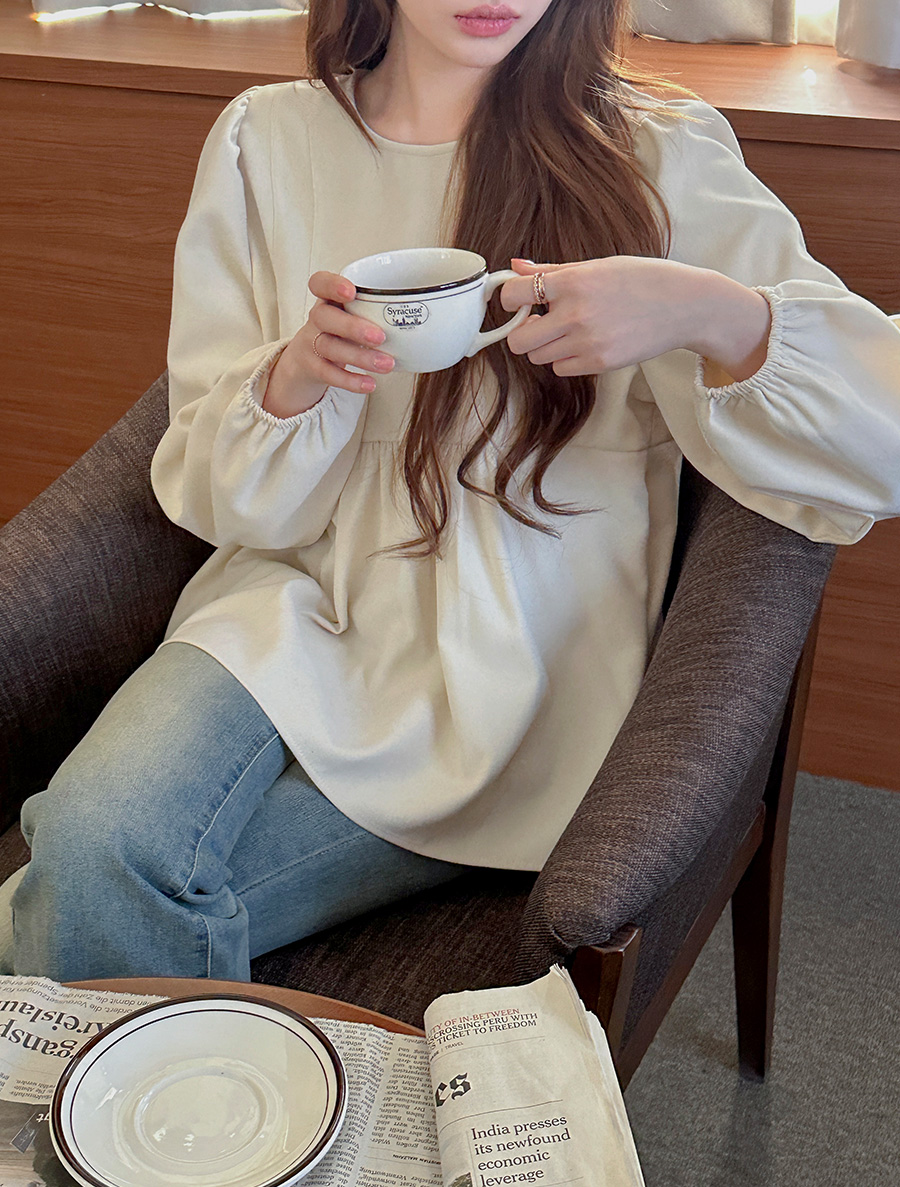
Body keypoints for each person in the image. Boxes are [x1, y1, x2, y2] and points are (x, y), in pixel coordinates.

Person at [2, 0, 899, 982]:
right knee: (94, 843)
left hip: (508, 677)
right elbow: (225, 507)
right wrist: (295, 380)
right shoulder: (268, 139)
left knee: (78, 901)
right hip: (285, 609)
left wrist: (709, 311)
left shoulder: (654, 153)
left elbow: (883, 434)